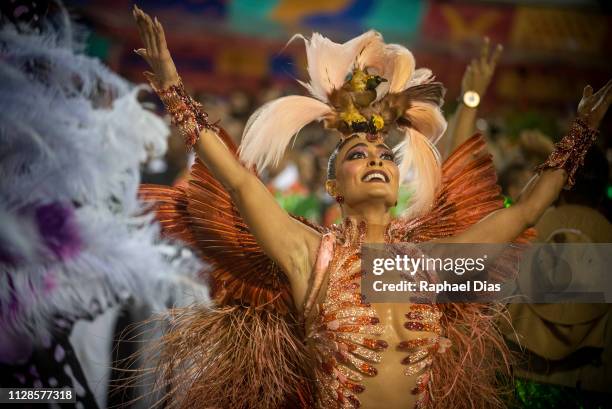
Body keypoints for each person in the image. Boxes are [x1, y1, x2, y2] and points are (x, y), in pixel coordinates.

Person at [132, 5, 612, 408]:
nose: (376, 160)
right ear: (333, 185)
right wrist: (173, 89)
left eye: (385, 155)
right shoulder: (310, 256)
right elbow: (238, 182)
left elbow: (526, 212)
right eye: (357, 155)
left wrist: (582, 133)